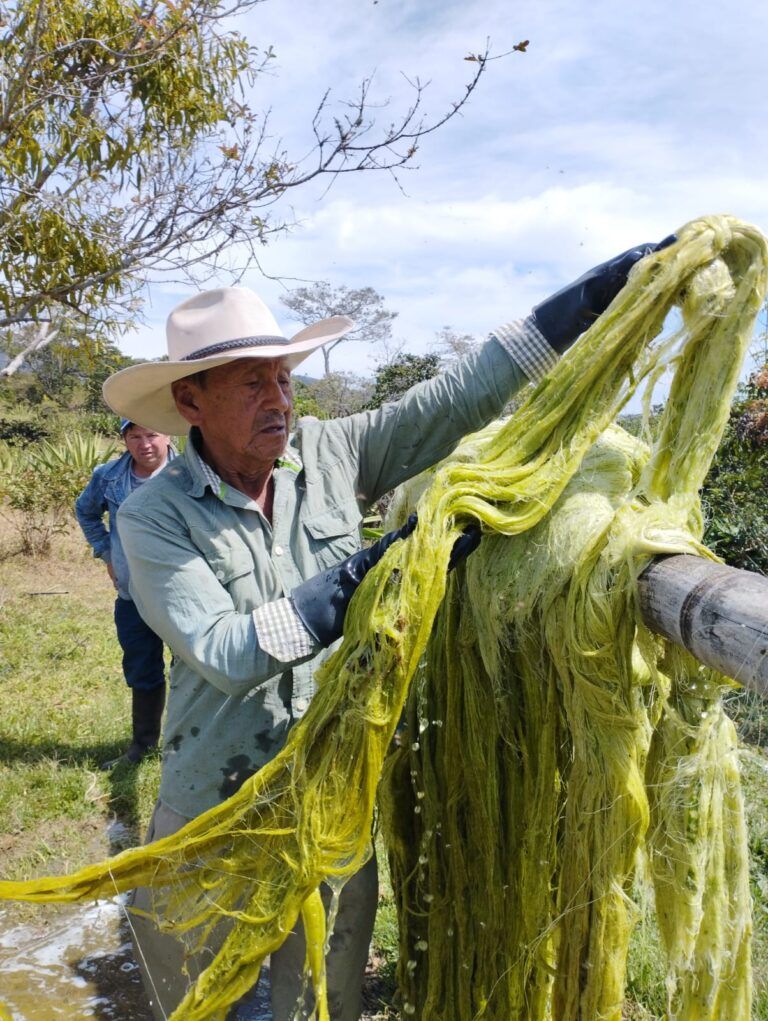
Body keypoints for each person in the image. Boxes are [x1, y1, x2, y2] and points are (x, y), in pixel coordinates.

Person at [101, 238, 673, 1020]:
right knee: (220, 1003)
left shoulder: (333, 453)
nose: (280, 399)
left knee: (325, 1001)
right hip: (216, 815)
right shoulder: (151, 518)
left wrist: (585, 299)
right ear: (191, 402)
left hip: (333, 804)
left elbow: (455, 399)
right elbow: (233, 653)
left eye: (284, 377)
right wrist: (374, 566)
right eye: (250, 383)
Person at [75, 419, 175, 769]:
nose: (144, 443)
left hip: (181, 595)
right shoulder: (109, 476)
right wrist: (105, 552)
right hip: (133, 594)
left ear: (167, 435)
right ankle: (143, 745)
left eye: (151, 433)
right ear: (124, 439)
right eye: (134, 436)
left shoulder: (188, 471)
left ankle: (184, 742)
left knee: (192, 668)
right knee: (142, 668)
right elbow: (85, 511)